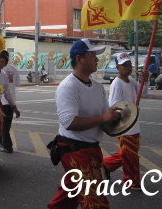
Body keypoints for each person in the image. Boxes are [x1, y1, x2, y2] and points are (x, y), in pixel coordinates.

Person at [48, 38, 121, 209]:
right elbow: (69, 122)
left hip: (92, 149)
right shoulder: (68, 86)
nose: (97, 59)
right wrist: (104, 118)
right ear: (80, 59)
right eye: (92, 55)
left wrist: (117, 119)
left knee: (69, 195)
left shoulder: (97, 87)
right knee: (95, 201)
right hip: (75, 151)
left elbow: (105, 117)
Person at [102, 52, 148, 191]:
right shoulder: (117, 83)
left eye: (129, 65)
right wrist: (126, 113)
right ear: (118, 68)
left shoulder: (132, 81)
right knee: (130, 154)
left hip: (134, 122)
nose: (128, 67)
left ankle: (107, 164)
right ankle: (131, 181)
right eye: (124, 65)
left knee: (128, 153)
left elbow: (143, 93)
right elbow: (114, 104)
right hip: (125, 124)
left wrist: (145, 81)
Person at [0, 50, 20, 153]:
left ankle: (6, 144)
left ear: (5, 62)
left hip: (2, 102)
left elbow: (7, 92)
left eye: (2, 61)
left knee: (4, 125)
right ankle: (3, 142)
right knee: (2, 125)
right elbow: (17, 84)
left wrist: (14, 107)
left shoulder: (4, 75)